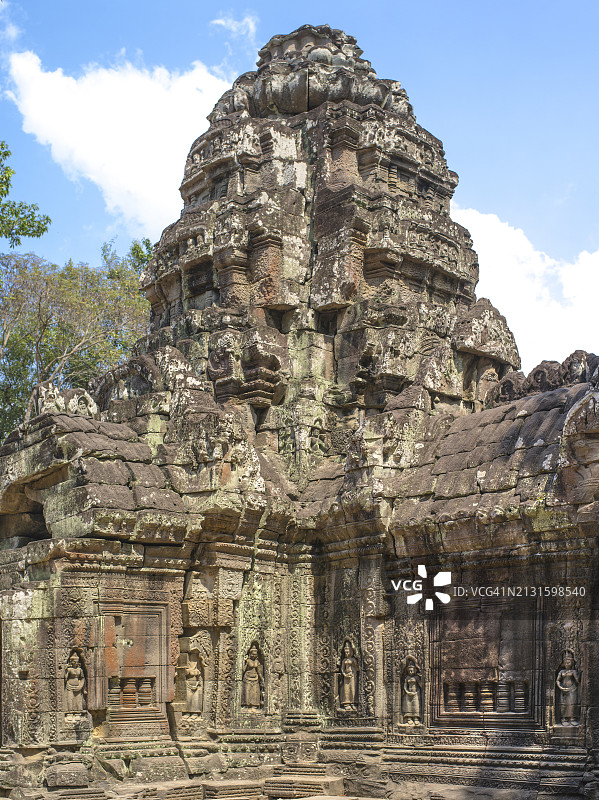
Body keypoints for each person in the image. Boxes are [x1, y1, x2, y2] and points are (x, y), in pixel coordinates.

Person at [556, 650, 580, 725]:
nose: (567, 664)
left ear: (572, 663)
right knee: (563, 705)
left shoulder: (573, 671)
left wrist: (576, 675)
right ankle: (564, 719)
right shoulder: (562, 671)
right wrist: (561, 687)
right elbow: (557, 680)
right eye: (565, 662)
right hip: (563, 690)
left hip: (572, 689)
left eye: (568, 662)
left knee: (572, 704)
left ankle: (572, 718)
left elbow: (577, 681)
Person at [241, 642, 263, 710]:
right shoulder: (248, 661)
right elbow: (243, 670)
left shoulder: (257, 662)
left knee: (255, 692)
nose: (254, 656)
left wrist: (262, 679)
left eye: (255, 654)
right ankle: (246, 704)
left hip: (255, 678)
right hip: (247, 677)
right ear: (250, 654)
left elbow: (259, 671)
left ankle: (254, 705)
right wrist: (244, 662)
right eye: (253, 654)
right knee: (247, 691)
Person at [339, 640, 359, 710]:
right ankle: (346, 703)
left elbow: (357, 668)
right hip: (346, 676)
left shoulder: (353, 659)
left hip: (353, 675)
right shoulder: (344, 660)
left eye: (348, 652)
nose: (347, 653)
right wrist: (344, 674)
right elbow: (342, 669)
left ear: (351, 651)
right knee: (346, 689)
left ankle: (353, 702)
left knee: (352, 689)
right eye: (346, 652)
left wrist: (354, 666)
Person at [402, 659, 421, 725]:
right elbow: (405, 686)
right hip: (408, 693)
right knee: (408, 705)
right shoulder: (407, 678)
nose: (410, 671)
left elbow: (420, 685)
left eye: (412, 670)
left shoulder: (416, 677)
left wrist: (416, 692)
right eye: (409, 670)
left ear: (415, 670)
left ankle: (416, 718)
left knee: (415, 705)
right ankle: (409, 718)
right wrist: (407, 692)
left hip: (415, 693)